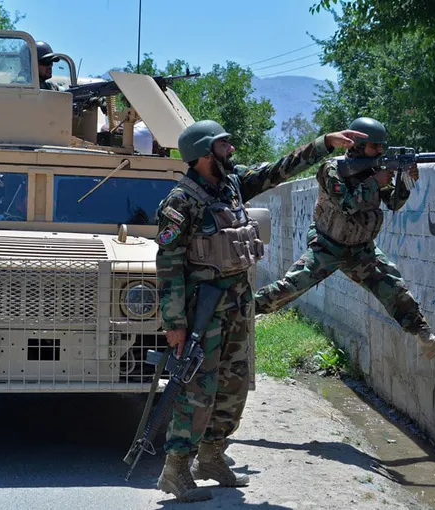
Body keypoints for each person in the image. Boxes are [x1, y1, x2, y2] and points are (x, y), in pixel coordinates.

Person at [153, 119, 366, 501]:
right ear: (203, 155)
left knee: (234, 386)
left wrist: (324, 144)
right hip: (203, 312)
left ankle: (212, 457)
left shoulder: (232, 185)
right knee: (198, 390)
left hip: (236, 305)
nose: (231, 151)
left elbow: (278, 169)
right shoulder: (180, 202)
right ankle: (176, 468)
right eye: (223, 146)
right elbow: (168, 268)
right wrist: (175, 324)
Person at [253, 117, 435, 360]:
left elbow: (394, 203)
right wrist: (374, 181)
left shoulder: (372, 170)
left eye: (381, 146)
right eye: (374, 146)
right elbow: (347, 205)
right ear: (357, 146)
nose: (379, 150)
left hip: (361, 250)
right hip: (327, 246)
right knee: (291, 286)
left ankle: (426, 339)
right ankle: (243, 310)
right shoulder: (332, 169)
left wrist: (405, 179)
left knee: (395, 289)